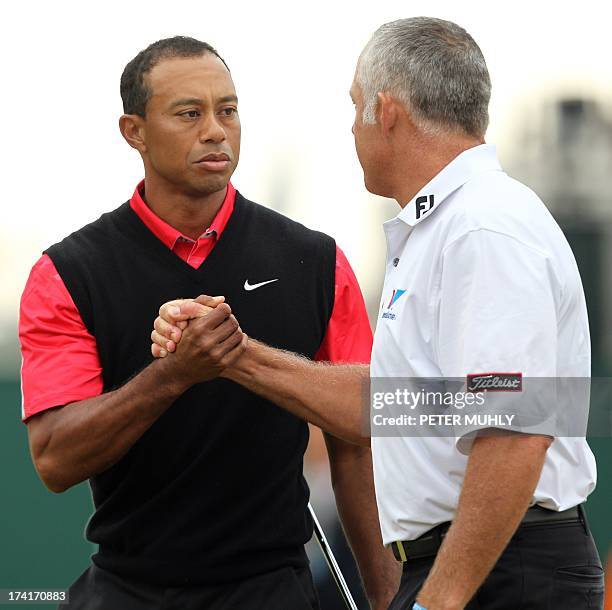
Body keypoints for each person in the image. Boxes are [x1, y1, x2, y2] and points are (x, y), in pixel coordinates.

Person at [151, 18, 605, 610]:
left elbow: (514, 431)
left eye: (356, 106)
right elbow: (401, 406)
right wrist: (232, 353)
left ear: (386, 111)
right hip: (486, 567)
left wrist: (438, 601)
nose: (353, 125)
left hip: (496, 575)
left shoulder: (481, 228)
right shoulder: (451, 227)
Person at [18, 36, 400, 609]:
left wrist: (386, 599)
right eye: (189, 113)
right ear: (134, 131)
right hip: (129, 588)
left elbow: (359, 440)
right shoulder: (67, 273)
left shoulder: (316, 261)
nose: (216, 130)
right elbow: (54, 458)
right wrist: (171, 376)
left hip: (273, 588)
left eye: (228, 110)